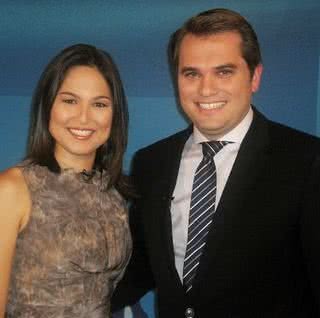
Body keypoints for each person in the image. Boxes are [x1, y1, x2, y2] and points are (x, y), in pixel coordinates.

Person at [112, 8, 320, 318]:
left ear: (255, 77)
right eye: (191, 73)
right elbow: (143, 267)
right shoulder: (151, 163)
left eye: (224, 71)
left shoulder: (306, 160)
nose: (206, 89)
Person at [0, 43, 132, 318]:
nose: (84, 117)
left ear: (114, 114)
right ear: (48, 105)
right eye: (70, 100)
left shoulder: (113, 194)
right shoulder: (13, 189)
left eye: (99, 104)